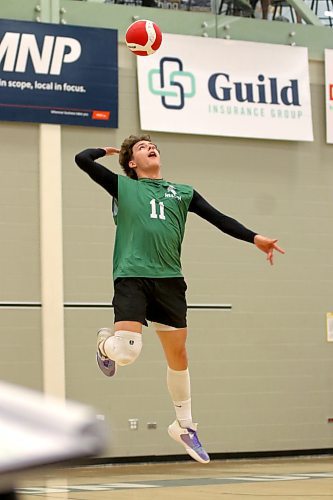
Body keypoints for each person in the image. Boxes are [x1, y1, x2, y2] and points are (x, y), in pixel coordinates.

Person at [75, 135, 285, 464]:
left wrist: (254, 238)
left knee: (179, 356)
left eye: (152, 145)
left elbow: (219, 218)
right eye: (142, 147)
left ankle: (184, 425)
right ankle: (104, 344)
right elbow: (82, 159)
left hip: (170, 281)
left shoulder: (182, 191)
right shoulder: (123, 188)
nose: (150, 148)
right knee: (126, 353)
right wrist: (106, 150)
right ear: (132, 162)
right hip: (132, 275)